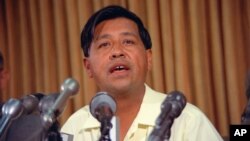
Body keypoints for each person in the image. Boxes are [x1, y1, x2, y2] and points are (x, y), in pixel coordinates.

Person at [61, 5, 223, 141]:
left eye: (128, 41)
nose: (117, 52)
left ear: (148, 58)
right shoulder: (75, 127)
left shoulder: (187, 121)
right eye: (104, 44)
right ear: (88, 66)